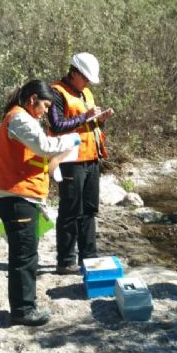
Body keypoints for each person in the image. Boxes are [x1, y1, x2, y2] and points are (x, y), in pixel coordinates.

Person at [0, 80, 81, 326]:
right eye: (45, 106)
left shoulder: (23, 119)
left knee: (26, 250)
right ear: (32, 99)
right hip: (15, 196)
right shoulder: (19, 119)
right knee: (24, 255)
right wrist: (71, 140)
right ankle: (23, 310)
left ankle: (24, 305)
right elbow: (45, 146)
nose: (46, 111)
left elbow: (39, 158)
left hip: (21, 194)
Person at [47, 52, 114, 275]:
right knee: (70, 211)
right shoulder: (56, 92)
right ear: (74, 73)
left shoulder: (86, 92)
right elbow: (56, 125)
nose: (87, 83)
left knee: (89, 210)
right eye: (85, 78)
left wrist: (100, 120)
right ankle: (66, 261)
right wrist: (85, 116)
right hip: (70, 160)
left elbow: (89, 125)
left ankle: (89, 257)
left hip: (91, 158)